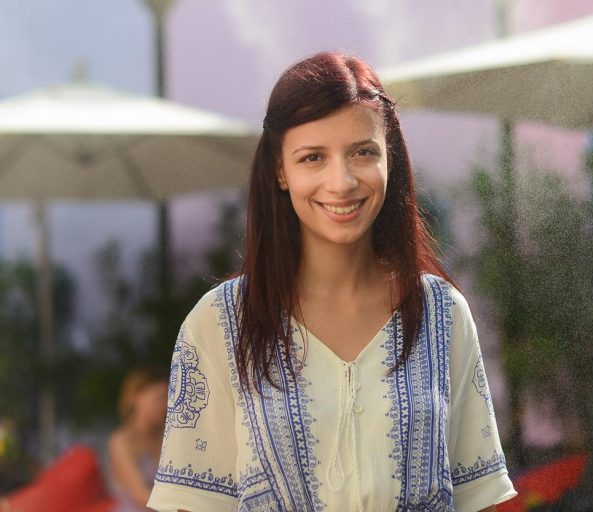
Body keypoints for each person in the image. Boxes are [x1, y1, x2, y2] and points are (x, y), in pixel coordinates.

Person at [147, 51, 516, 512]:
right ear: (280, 170)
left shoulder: (442, 315)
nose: (341, 182)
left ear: (389, 158)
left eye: (362, 152)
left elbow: (480, 498)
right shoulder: (220, 324)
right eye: (313, 158)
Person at [109, 366, 169, 512]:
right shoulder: (121, 442)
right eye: (159, 397)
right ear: (137, 397)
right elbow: (140, 494)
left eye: (168, 398)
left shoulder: (167, 438)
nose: (165, 405)